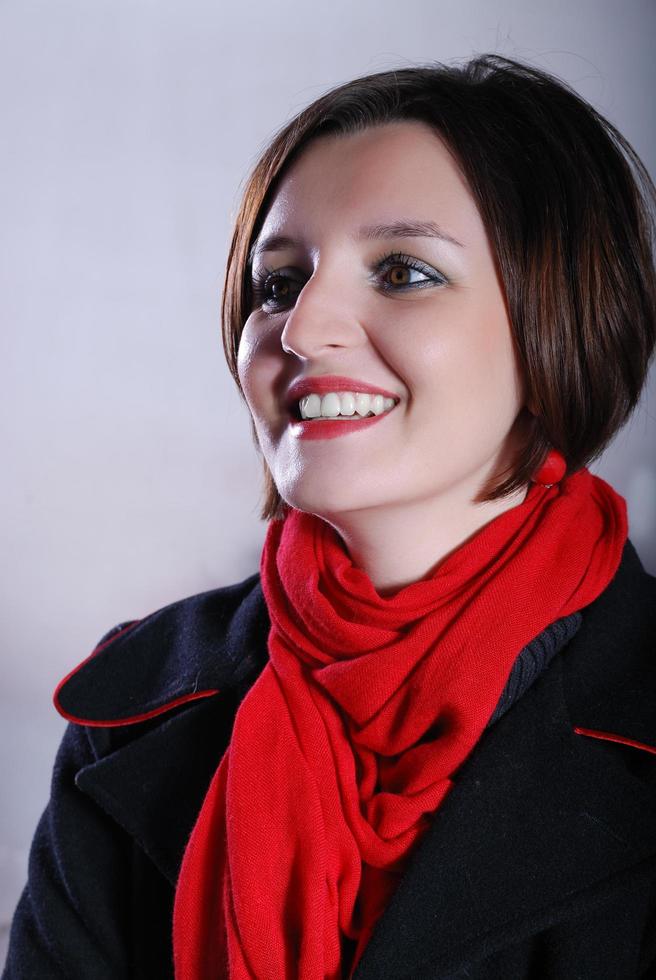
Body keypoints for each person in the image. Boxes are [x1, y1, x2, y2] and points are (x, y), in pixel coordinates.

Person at [3, 53, 656, 980]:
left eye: (403, 271)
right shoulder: (133, 707)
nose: (302, 330)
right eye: (276, 285)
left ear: (564, 318)